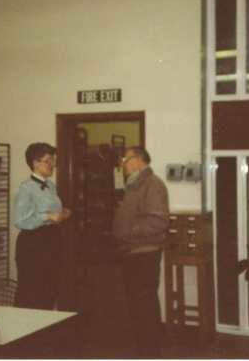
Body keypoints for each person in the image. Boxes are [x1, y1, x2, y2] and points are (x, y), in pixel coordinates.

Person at [112, 146, 169, 358]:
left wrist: (129, 232)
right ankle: (145, 351)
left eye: (125, 159)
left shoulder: (152, 185)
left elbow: (158, 220)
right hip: (133, 253)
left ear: (139, 161)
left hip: (143, 254)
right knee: (139, 307)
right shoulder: (136, 184)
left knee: (144, 307)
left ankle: (150, 353)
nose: (122, 163)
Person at [13, 142, 70, 309]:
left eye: (53, 161)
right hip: (33, 245)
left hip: (50, 242)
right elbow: (19, 219)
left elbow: (44, 212)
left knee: (49, 290)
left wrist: (61, 214)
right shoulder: (26, 187)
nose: (52, 165)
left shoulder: (50, 185)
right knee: (32, 293)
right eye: (48, 160)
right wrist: (47, 216)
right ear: (35, 163)